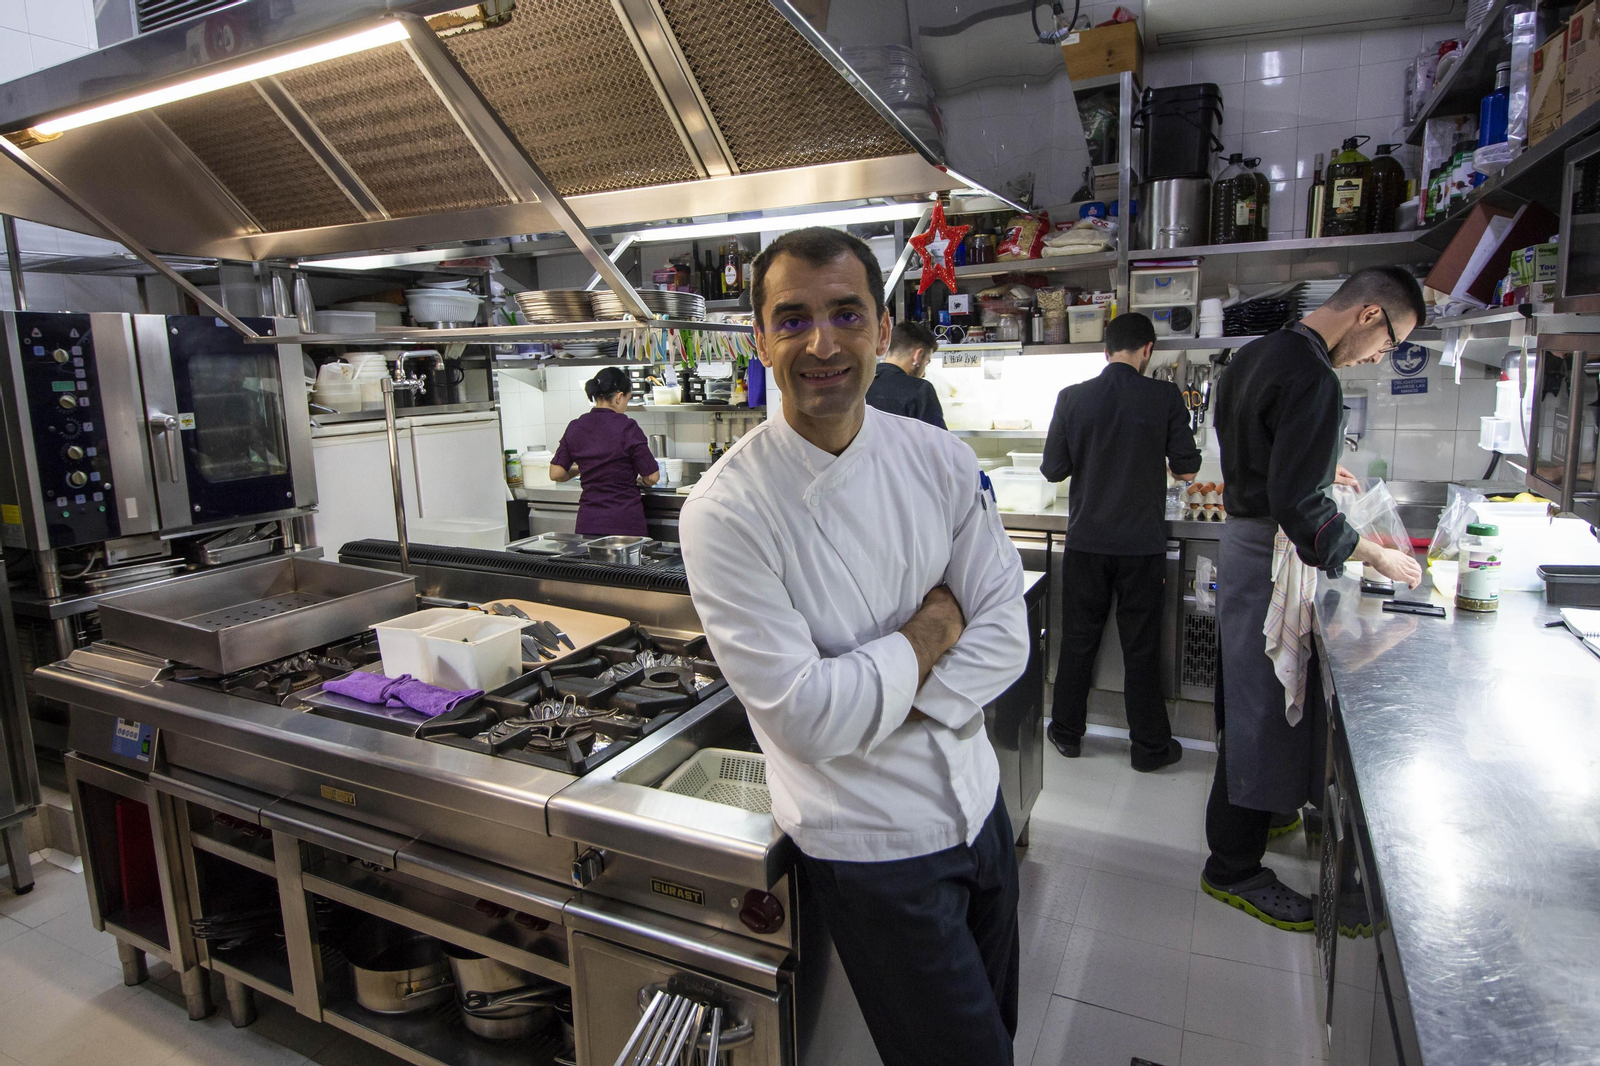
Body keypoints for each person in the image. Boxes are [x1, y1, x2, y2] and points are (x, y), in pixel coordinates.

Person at [679, 227, 1029, 1066]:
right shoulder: (726, 511)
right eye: (792, 319)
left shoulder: (938, 459)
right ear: (759, 339)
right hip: (874, 851)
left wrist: (884, 705)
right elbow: (804, 719)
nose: (821, 342)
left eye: (845, 313)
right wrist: (935, 631)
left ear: (880, 326)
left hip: (981, 812)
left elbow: (1008, 629)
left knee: (998, 1039)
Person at [1203, 266, 1424, 930]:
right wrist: (1377, 552)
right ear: (1367, 315)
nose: (1380, 358)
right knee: (1262, 705)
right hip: (1267, 557)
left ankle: (1262, 817)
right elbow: (1301, 510)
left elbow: (1261, 456)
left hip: (1242, 546)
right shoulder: (1316, 376)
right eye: (1388, 343)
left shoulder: (1254, 356)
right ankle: (1232, 868)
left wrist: (1321, 468)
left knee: (1250, 696)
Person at [1041, 311, 1201, 770]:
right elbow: (1187, 470)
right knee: (1141, 649)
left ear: (1104, 350)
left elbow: (1054, 470)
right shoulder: (1163, 395)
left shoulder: (1072, 397)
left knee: (1077, 641)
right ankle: (1149, 748)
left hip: (1087, 543)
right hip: (1141, 546)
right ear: (1147, 350)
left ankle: (1067, 734)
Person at [548, 366, 659, 536]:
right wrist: (643, 481)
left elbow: (556, 473)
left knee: (591, 563)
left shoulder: (576, 426)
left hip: (589, 523)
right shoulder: (627, 427)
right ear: (619, 397)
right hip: (625, 523)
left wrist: (583, 469)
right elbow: (652, 477)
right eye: (627, 400)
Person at [865, 319, 946, 428]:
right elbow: (939, 441)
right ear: (918, 355)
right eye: (926, 362)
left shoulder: (861, 384)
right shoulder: (920, 389)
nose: (924, 374)